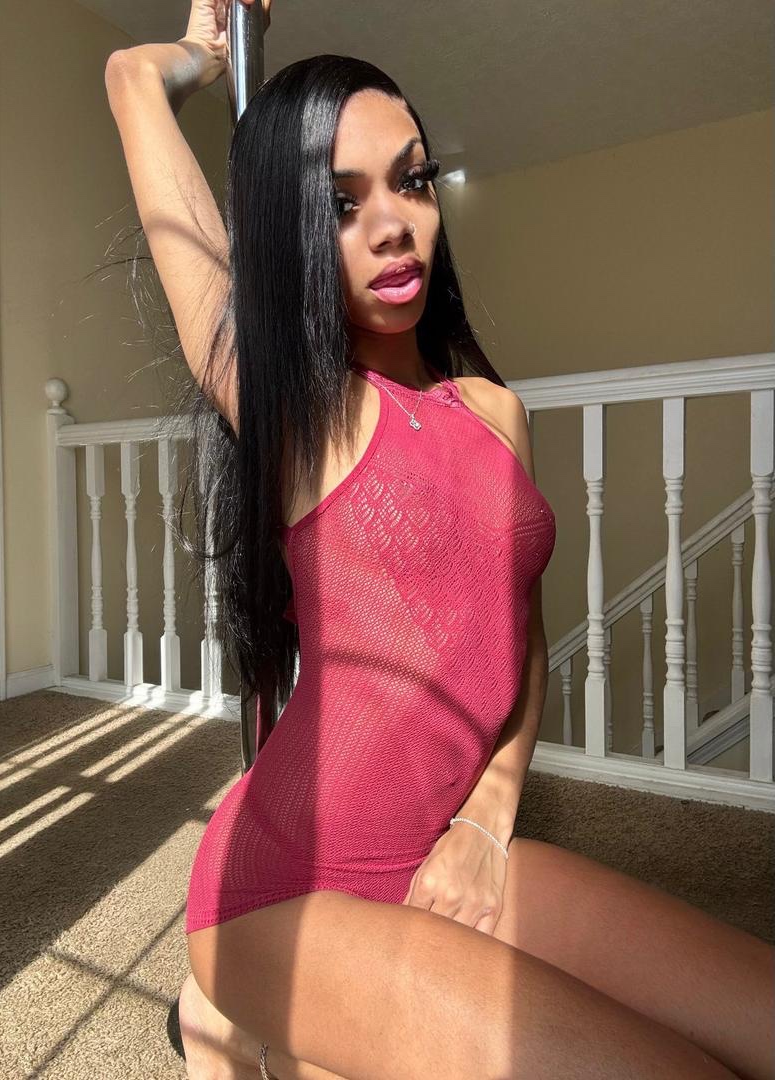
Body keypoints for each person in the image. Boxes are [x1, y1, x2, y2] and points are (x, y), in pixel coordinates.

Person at [104, 3, 774, 1078]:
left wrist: (488, 818)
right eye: (340, 203)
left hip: (443, 846)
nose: (392, 225)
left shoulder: (495, 413)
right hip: (280, 890)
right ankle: (226, 1005)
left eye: (411, 181)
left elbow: (520, 645)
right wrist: (203, 53)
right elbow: (130, 82)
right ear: (290, 230)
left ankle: (238, 1027)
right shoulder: (305, 415)